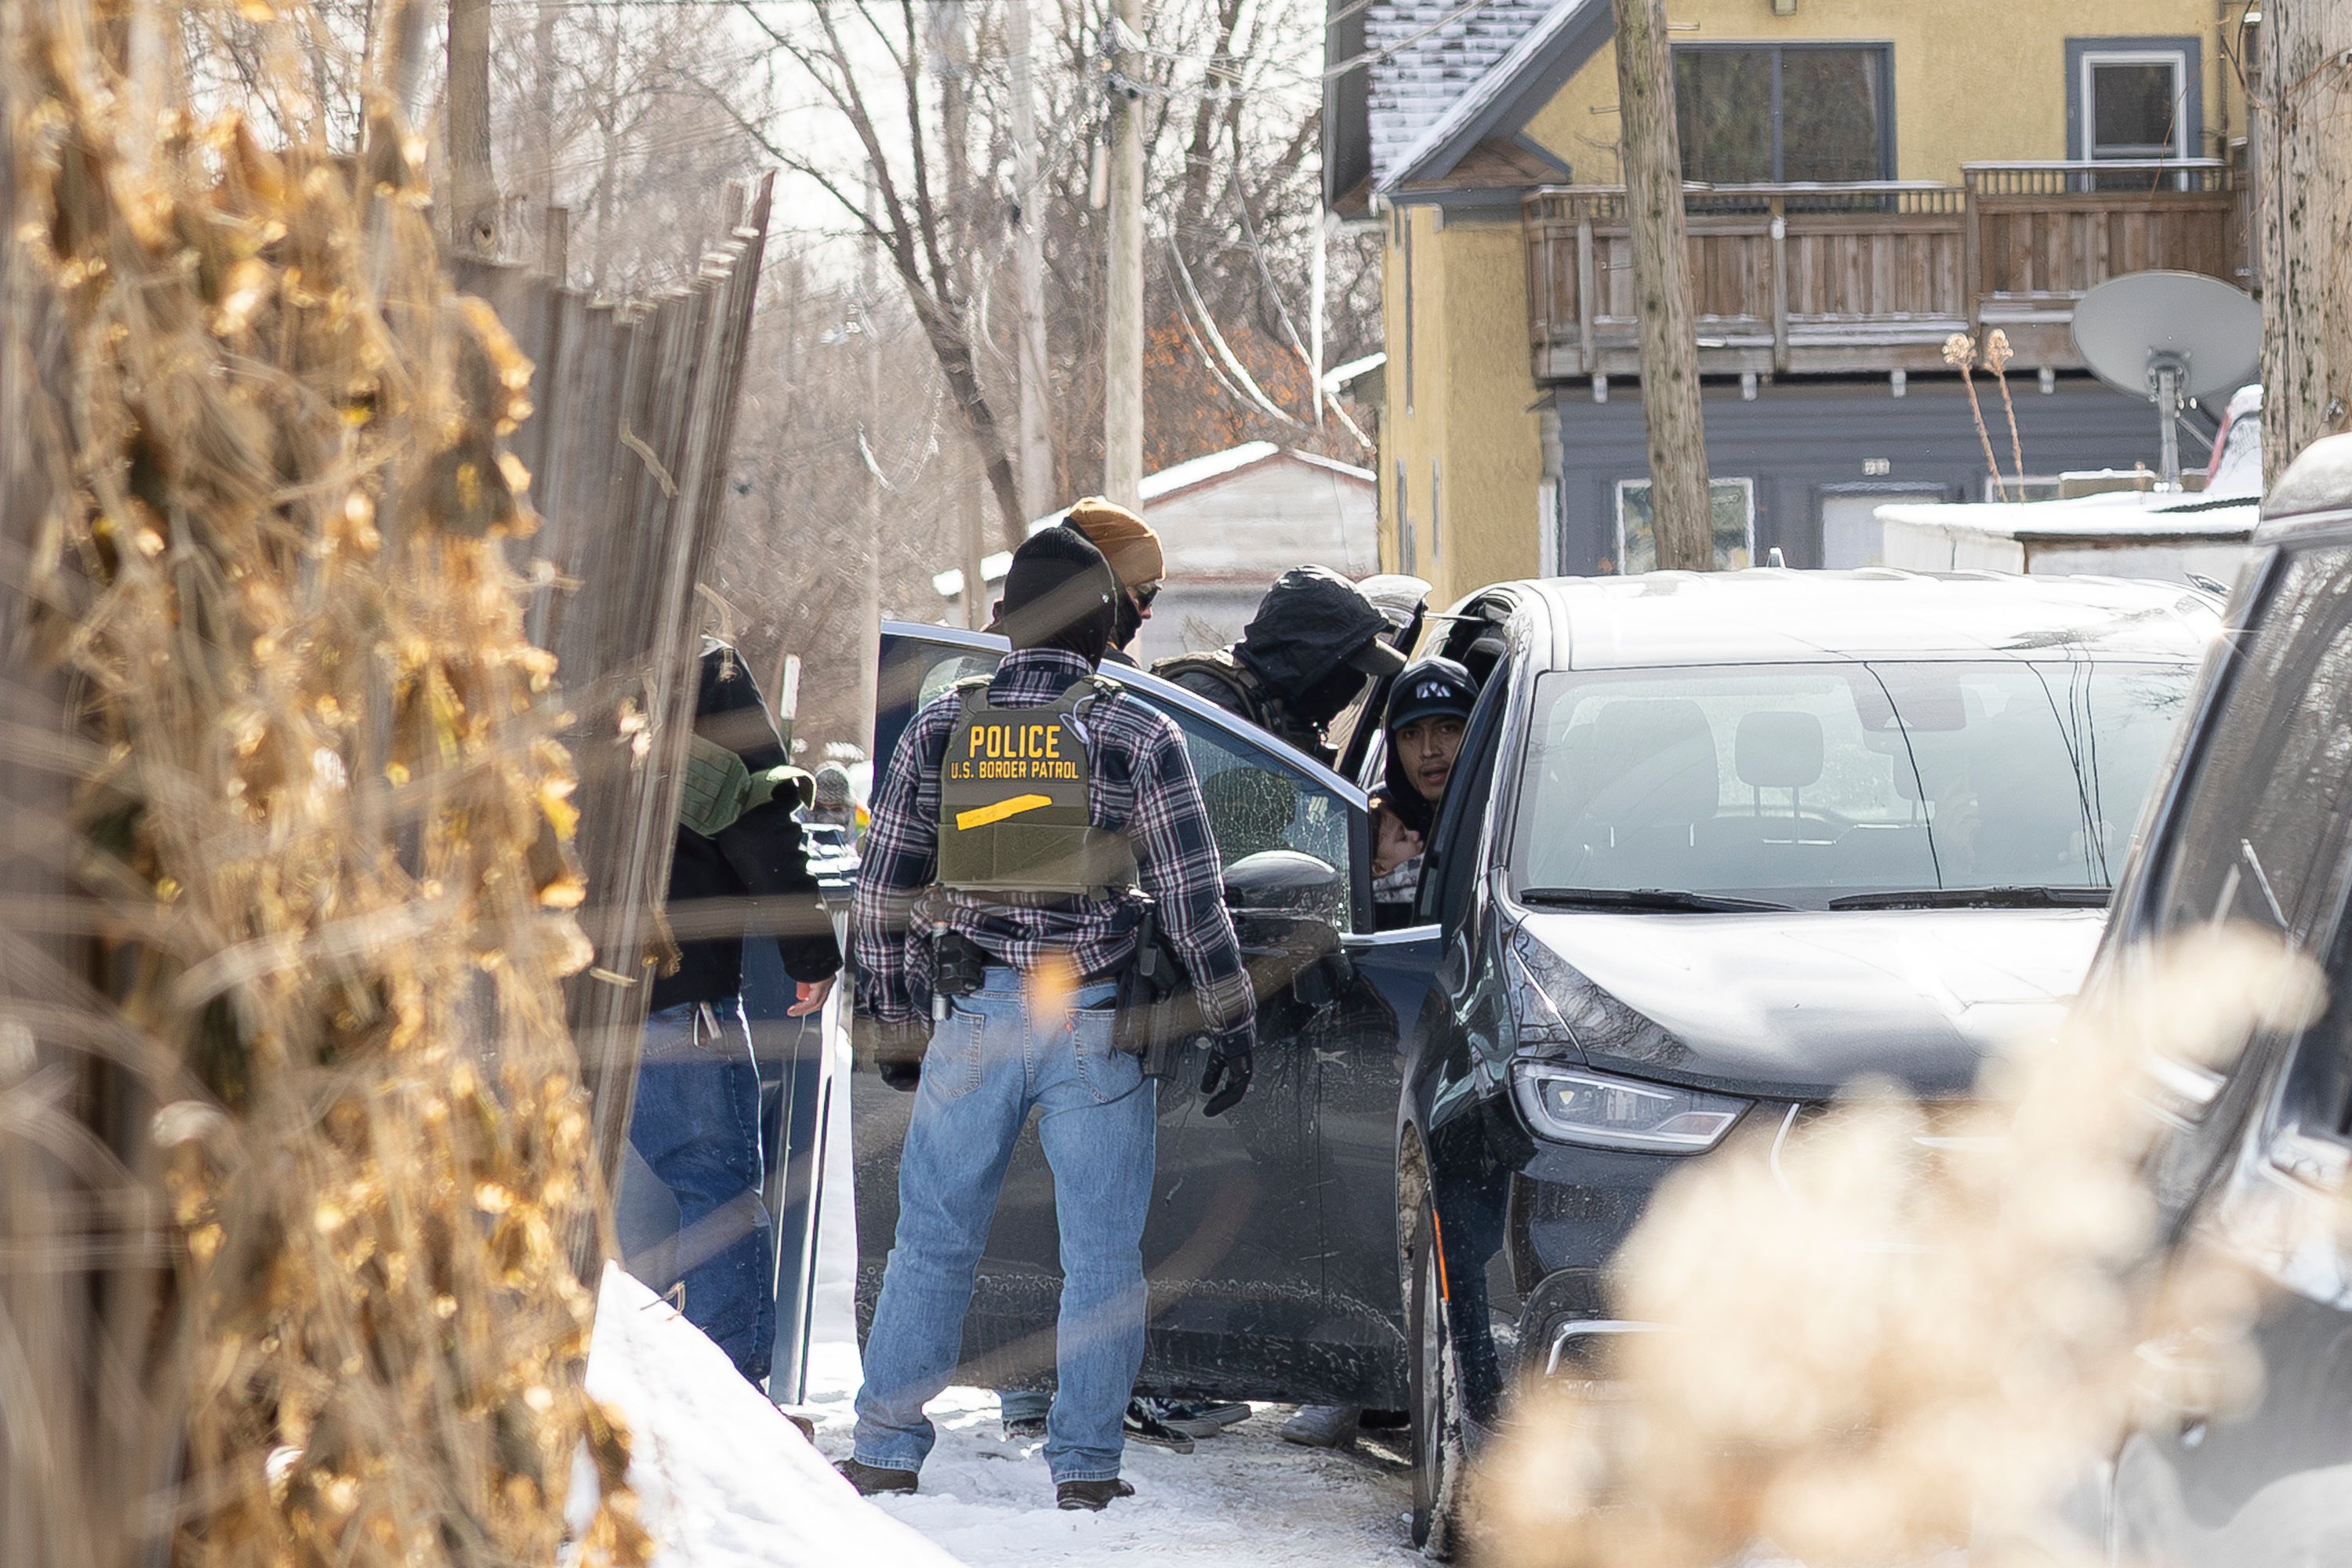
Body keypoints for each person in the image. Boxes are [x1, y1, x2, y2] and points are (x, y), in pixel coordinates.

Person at [843, 524, 1258, 1512]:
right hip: (1094, 1024)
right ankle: (1084, 1469)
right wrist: (1231, 1018)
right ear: (1105, 624)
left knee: (932, 1241)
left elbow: (879, 896)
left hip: (974, 1017)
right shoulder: (1136, 732)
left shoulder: (942, 726)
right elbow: (1195, 898)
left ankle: (885, 1446)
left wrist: (896, 1019)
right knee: (1102, 1260)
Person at [629, 640, 840, 1387]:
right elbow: (761, 820)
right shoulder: (698, 667)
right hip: (676, 989)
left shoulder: (538, 639)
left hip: (540, 996)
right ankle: (733, 1410)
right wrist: (811, 954)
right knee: (717, 1195)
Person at [1154, 565, 1406, 764]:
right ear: (1310, 660)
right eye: (1349, 669)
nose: (1356, 683)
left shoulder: (1270, 704)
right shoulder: (1211, 706)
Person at [1369, 657, 1481, 930]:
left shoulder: (1512, 820)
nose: (1429, 749)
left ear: (1478, 734)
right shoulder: (1373, 822)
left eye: (1447, 729)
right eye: (1411, 734)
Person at [1062, 496, 1164, 667]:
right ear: (1109, 590)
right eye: (1146, 593)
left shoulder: (1013, 645)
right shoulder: (1107, 670)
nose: (1147, 613)